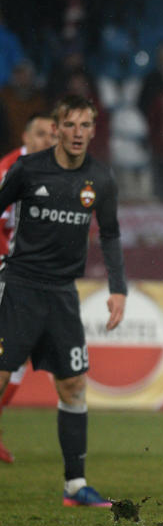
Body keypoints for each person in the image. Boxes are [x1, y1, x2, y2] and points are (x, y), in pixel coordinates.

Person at [0, 95, 127, 504]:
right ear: (56, 129)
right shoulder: (28, 170)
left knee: (73, 385)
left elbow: (109, 234)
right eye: (70, 125)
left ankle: (75, 486)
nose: (77, 133)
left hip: (62, 295)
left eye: (85, 126)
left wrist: (118, 289)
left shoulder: (100, 179)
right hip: (19, 286)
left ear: (93, 130)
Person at [0, 111, 57, 462]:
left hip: (31, 276)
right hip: (9, 272)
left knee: (18, 355)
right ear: (25, 136)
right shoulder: (11, 169)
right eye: (40, 135)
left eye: (52, 136)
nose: (46, 142)